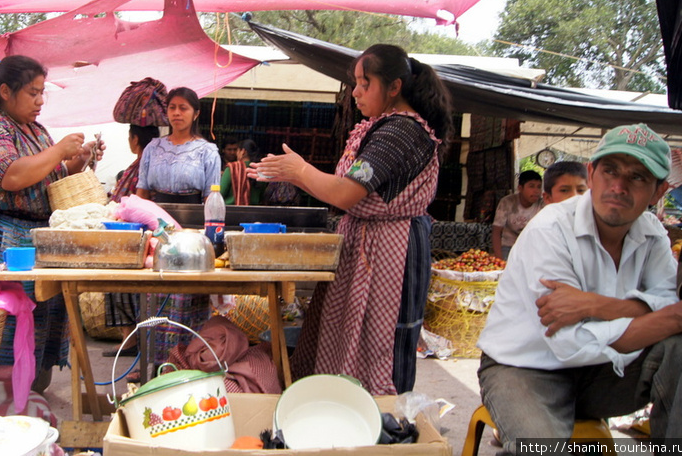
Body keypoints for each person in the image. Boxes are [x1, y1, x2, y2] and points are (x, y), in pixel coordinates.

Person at [477, 123, 682, 452]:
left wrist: (593, 305)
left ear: (659, 191)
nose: (619, 187)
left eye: (637, 177)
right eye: (610, 171)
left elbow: (668, 308)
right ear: (591, 174)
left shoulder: (652, 234)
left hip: (601, 372)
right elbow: (569, 343)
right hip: (525, 368)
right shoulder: (550, 230)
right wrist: (672, 316)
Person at [250, 44, 453, 395]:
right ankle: (344, 410)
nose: (356, 92)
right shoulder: (383, 127)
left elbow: (345, 193)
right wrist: (294, 174)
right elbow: (342, 190)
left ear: (395, 87)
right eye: (355, 83)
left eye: (365, 83)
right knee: (350, 334)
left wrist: (300, 170)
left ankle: (383, 423)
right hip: (367, 243)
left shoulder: (400, 131)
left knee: (382, 339)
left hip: (392, 250)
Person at [0, 55, 101, 392]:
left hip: (33, 241)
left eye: (42, 93)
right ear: (4, 91)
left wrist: (78, 160)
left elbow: (48, 177)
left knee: (35, 324)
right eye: (33, 93)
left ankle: (23, 396)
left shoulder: (35, 131)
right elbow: (11, 175)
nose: (40, 101)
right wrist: (59, 151)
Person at [137, 87, 222, 365]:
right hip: (157, 228)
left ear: (196, 113)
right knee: (154, 295)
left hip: (192, 231)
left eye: (183, 108)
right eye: (172, 107)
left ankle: (187, 362)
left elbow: (212, 199)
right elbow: (142, 194)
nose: (176, 113)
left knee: (187, 299)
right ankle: (151, 363)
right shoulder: (153, 148)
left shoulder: (207, 151)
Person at [102, 124, 160, 358]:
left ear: (134, 139)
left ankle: (131, 339)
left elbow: (133, 199)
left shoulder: (141, 166)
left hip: (135, 235)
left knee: (122, 284)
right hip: (141, 232)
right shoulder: (145, 164)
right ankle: (133, 338)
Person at [491, 170, 543, 260]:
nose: (536, 191)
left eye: (539, 187)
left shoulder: (543, 204)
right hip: (509, 246)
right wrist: (499, 260)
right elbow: (496, 231)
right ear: (520, 188)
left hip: (533, 247)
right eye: (531, 186)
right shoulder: (507, 202)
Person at [220, 138, 264, 206]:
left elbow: (220, 192)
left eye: (237, 150)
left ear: (243, 151)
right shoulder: (261, 170)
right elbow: (263, 195)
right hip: (254, 211)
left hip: (231, 210)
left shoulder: (232, 168)